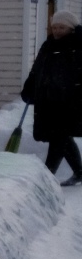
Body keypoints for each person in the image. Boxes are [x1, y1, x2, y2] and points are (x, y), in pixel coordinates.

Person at [21, 11, 82, 186]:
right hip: (50, 100)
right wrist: (30, 86)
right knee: (62, 137)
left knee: (59, 137)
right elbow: (37, 69)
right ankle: (79, 172)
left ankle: (45, 178)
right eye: (54, 27)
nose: (57, 30)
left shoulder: (78, 45)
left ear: (71, 28)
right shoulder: (48, 45)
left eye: (61, 27)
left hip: (71, 101)